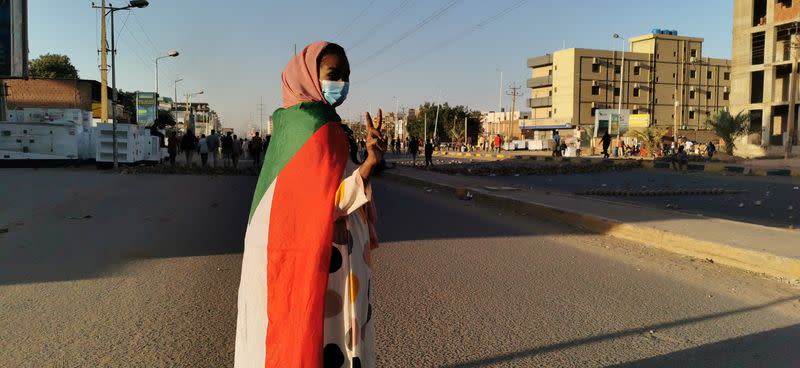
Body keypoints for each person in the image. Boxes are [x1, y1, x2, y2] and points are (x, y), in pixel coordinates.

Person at [234, 42, 383, 367]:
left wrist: (369, 161)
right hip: (323, 261)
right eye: (333, 75)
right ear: (307, 77)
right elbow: (324, 205)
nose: (341, 84)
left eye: (345, 76)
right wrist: (368, 167)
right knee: (326, 338)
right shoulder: (310, 129)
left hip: (335, 256)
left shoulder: (318, 126)